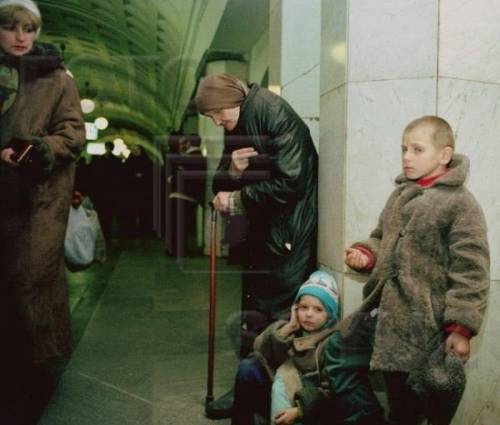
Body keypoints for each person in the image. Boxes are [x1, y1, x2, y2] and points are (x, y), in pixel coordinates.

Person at [322, 116, 490, 425]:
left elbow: (472, 271)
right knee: (336, 352)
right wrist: (365, 254)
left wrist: (461, 328)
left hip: (423, 327)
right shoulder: (399, 196)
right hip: (383, 315)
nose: (406, 157)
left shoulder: (460, 204)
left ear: (444, 155)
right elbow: (380, 238)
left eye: (417, 150)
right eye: (403, 149)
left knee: (408, 406)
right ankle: (368, 417)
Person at [195, 73, 318, 418]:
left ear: (232, 97)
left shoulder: (273, 113)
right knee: (255, 319)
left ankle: (273, 395)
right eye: (211, 118)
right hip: (262, 237)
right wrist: (233, 172)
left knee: (277, 322)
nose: (218, 121)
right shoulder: (239, 119)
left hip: (287, 238)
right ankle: (249, 391)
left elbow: (292, 182)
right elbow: (219, 185)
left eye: (218, 113)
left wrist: (238, 199)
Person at [0, 0, 85, 423]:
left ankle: (35, 369)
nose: (20, 37)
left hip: (37, 200)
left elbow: (72, 133)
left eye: (28, 29)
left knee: (30, 280)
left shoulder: (56, 78)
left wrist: (39, 149)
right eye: (11, 27)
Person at [232, 271, 339, 425]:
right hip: (280, 389)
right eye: (303, 307)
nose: (308, 314)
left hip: (308, 404)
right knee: (248, 366)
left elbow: (331, 391)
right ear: (295, 309)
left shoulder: (332, 342)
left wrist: (299, 409)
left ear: (330, 314)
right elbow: (259, 349)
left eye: (318, 309)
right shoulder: (292, 327)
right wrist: (288, 328)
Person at [90, 140, 123, 238]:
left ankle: (105, 232)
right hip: (104, 191)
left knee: (107, 213)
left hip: (108, 191)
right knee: (103, 213)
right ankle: (103, 232)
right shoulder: (114, 161)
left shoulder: (103, 160)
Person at [122, 144, 153, 237]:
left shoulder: (147, 162)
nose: (135, 151)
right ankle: (130, 231)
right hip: (131, 191)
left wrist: (142, 176)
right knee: (131, 211)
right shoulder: (128, 162)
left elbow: (151, 175)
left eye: (137, 149)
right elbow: (123, 175)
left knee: (144, 212)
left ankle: (145, 231)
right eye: (133, 149)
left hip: (144, 191)